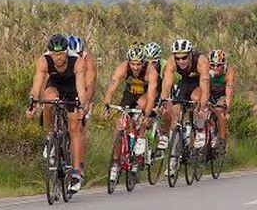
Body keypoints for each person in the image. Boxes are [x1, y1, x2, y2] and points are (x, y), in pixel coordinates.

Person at [26, 34, 88, 192]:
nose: (58, 58)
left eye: (61, 54)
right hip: (54, 85)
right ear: (50, 53)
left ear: (67, 52)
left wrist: (81, 106)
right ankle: (49, 137)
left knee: (74, 127)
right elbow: (37, 85)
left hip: (72, 87)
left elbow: (81, 89)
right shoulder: (44, 61)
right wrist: (32, 101)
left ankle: (75, 172)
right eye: (55, 54)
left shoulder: (77, 62)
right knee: (48, 99)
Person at [102, 43, 159, 179]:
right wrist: (107, 106)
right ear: (129, 62)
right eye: (133, 64)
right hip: (129, 95)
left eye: (139, 64)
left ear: (143, 63)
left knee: (142, 107)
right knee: (119, 125)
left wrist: (146, 115)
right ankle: (116, 162)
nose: (135, 67)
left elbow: (151, 96)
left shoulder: (151, 72)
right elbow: (112, 87)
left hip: (145, 96)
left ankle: (140, 138)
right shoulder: (123, 68)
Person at [159, 39, 210, 149]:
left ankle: (199, 129)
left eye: (184, 58)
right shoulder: (171, 62)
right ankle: (176, 146)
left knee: (196, 98)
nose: (181, 61)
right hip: (185, 82)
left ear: (190, 55)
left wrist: (201, 108)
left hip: (199, 83)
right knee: (175, 109)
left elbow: (205, 90)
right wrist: (164, 101)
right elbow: (166, 84)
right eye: (178, 58)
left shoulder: (201, 61)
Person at [66, 35, 97, 176]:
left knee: (80, 126)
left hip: (83, 91)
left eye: (78, 54)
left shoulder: (88, 61)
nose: (76, 58)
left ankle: (80, 164)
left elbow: (89, 86)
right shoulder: (63, 59)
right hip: (68, 88)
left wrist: (85, 106)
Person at [207, 49, 235, 151]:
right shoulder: (206, 70)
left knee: (219, 111)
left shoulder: (228, 72)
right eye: (212, 65)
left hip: (223, 95)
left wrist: (227, 106)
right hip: (211, 93)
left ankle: (222, 142)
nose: (215, 68)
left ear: (223, 64)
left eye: (218, 65)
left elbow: (229, 90)